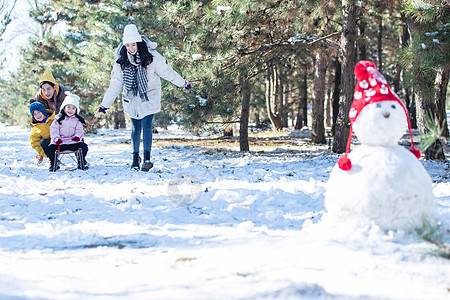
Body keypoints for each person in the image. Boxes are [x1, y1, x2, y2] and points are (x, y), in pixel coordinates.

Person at [98, 24, 191, 171]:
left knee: (147, 125)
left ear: (138, 43)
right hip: (132, 98)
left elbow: (168, 72)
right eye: (128, 45)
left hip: (149, 97)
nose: (131, 48)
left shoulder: (152, 57)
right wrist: (105, 104)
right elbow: (115, 84)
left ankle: (147, 158)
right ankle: (135, 157)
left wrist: (182, 83)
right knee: (135, 128)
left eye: (133, 44)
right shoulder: (121, 60)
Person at [45, 92, 89, 172]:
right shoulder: (58, 119)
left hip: (72, 142)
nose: (70, 110)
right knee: (50, 149)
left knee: (84, 147)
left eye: (73, 108)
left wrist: (77, 137)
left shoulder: (77, 120)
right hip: (60, 143)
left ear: (76, 110)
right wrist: (56, 139)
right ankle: (53, 163)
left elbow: (79, 130)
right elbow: (54, 130)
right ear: (64, 107)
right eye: (68, 107)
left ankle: (81, 161)